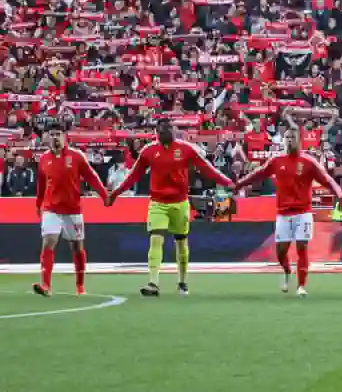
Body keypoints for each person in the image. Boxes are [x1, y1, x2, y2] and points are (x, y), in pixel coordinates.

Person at [108, 119, 234, 297]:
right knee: (156, 239)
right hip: (158, 203)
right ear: (156, 132)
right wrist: (116, 193)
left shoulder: (186, 149)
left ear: (174, 130)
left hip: (180, 203)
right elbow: (133, 176)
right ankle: (153, 283)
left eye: (168, 127)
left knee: (181, 242)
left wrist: (227, 182)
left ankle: (182, 282)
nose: (165, 131)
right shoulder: (148, 151)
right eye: (161, 128)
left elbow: (206, 169)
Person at [233, 127, 342, 297]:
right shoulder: (276, 160)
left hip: (303, 212)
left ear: (299, 140)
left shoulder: (308, 161)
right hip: (283, 213)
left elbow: (327, 179)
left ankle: (301, 286)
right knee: (281, 251)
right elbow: (259, 173)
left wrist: (340, 193)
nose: (290, 140)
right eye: (287, 137)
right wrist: (240, 184)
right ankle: (287, 271)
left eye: (293, 137)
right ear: (283, 140)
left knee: (302, 247)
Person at [33, 123, 108, 297]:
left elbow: (92, 177)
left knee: (77, 247)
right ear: (47, 138)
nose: (54, 137)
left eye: (58, 134)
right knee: (49, 241)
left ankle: (80, 286)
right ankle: (45, 285)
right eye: (51, 134)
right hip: (51, 208)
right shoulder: (44, 159)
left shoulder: (76, 156)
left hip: (73, 210)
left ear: (64, 136)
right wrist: (38, 204)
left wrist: (104, 195)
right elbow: (41, 185)